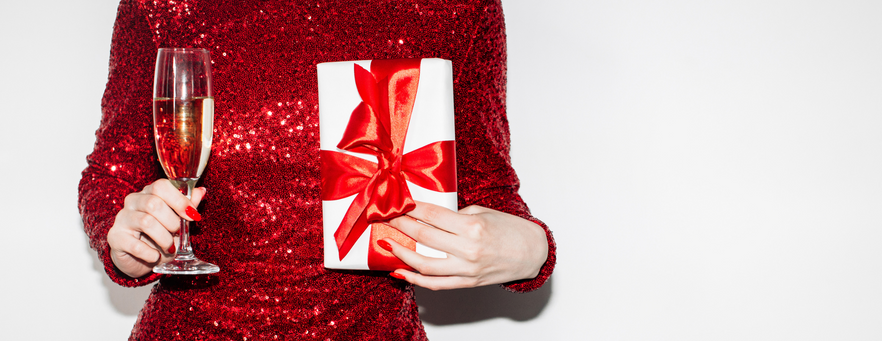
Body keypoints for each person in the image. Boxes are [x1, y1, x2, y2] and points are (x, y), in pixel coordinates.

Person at [78, 0, 556, 339]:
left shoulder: (457, 7)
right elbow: (109, 174)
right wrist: (128, 242)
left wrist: (533, 250)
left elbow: (488, 186)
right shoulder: (166, 4)